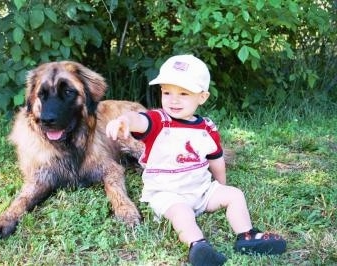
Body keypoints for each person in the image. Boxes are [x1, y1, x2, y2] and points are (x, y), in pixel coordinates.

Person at [106, 55, 286, 266]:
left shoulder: (207, 128)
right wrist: (123, 120)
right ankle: (198, 246)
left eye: (183, 93)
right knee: (182, 214)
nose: (173, 100)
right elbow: (139, 119)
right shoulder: (158, 121)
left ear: (202, 97)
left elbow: (216, 160)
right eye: (167, 92)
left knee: (235, 195)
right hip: (168, 194)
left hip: (201, 190)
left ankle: (247, 236)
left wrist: (220, 186)